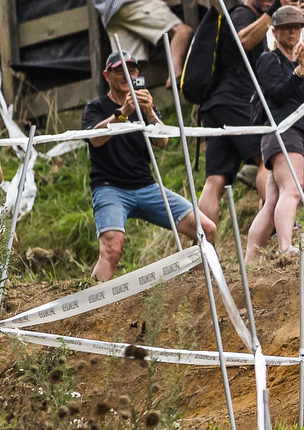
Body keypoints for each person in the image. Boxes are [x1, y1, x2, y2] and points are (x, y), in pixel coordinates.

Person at [82, 53, 211, 283]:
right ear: (107, 75)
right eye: (120, 71)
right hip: (110, 188)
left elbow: (162, 141)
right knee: (112, 247)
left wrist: (149, 112)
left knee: (207, 230)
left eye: (132, 71)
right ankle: (89, 306)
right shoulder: (96, 107)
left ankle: (195, 289)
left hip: (147, 186)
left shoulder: (145, 106)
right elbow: (95, 138)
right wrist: (122, 114)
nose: (127, 76)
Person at [193, 0, 277, 230]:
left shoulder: (254, 16)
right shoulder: (243, 13)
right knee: (267, 159)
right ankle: (276, 224)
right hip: (235, 101)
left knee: (216, 179)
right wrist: (272, 13)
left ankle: (203, 249)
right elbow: (244, 41)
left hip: (216, 106)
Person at [247, 6, 304, 262]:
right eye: (286, 28)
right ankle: (285, 248)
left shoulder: (302, 58)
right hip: (284, 130)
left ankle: (250, 261)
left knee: (273, 200)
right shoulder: (269, 59)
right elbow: (277, 94)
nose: (293, 32)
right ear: (275, 31)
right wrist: (300, 70)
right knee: (293, 191)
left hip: (296, 131)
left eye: (297, 27)